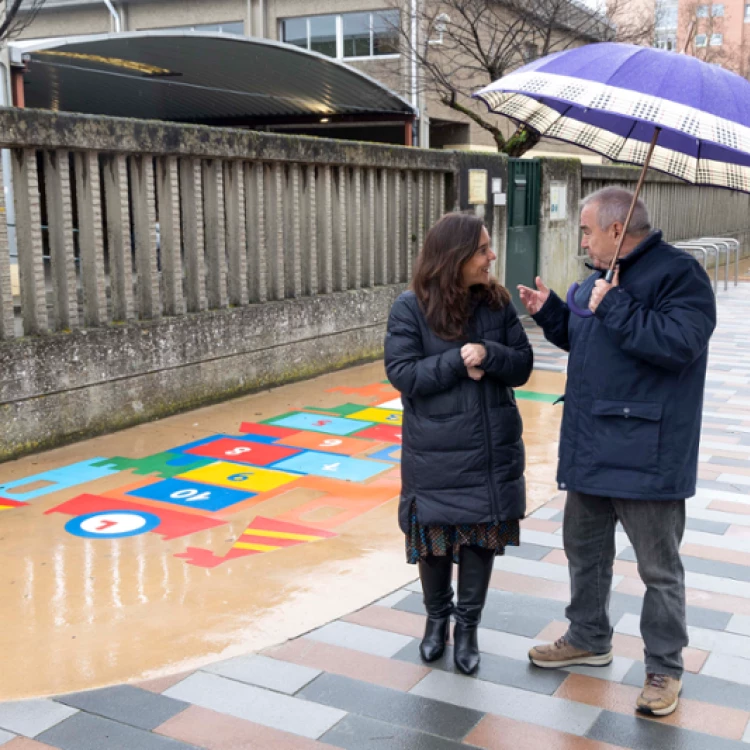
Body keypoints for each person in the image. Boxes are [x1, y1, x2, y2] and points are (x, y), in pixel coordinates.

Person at [518, 187, 716, 717]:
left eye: (586, 230)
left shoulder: (681, 276)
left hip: (647, 451)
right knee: (584, 551)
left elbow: (679, 345)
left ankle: (663, 668)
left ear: (615, 229)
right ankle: (587, 636)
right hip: (590, 445)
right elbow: (592, 341)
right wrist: (554, 314)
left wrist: (619, 306)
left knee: (658, 568)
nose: (581, 238)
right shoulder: (597, 278)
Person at [385, 212, 533, 675]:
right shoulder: (410, 307)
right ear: (455, 257)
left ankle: (467, 628)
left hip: (490, 447)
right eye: (483, 249)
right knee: (433, 538)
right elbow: (402, 373)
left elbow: (524, 365)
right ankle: (435, 621)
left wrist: (490, 355)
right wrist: (454, 362)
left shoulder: (497, 303)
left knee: (478, 540)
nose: (492, 257)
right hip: (436, 449)